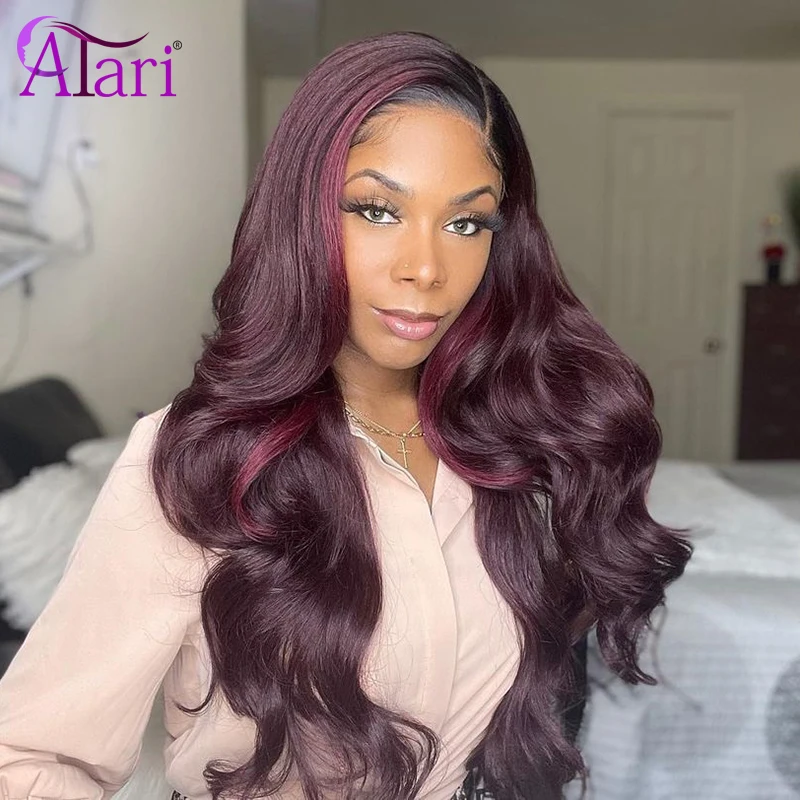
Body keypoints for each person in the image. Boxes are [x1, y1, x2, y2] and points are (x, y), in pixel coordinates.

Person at [0, 30, 693, 800]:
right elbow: (28, 760)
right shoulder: (192, 464)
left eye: (466, 223)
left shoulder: (508, 442)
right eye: (376, 210)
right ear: (300, 217)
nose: (426, 268)